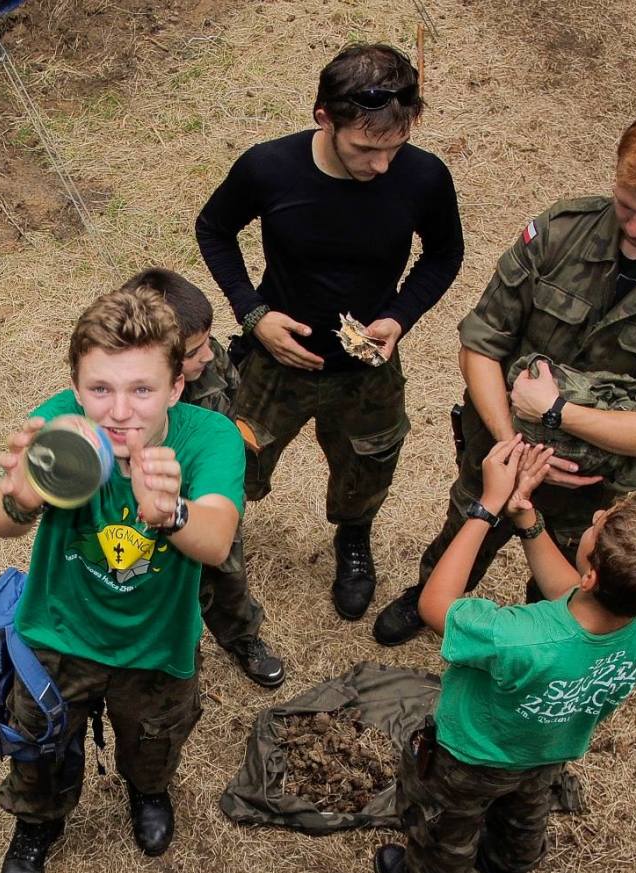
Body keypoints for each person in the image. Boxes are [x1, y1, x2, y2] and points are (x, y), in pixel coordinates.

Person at [374, 105, 636, 646]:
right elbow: (481, 345)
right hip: (500, 445)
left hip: (591, 485)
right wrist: (514, 447)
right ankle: (431, 592)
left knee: (567, 582)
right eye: (625, 205)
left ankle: (545, 635)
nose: (634, 227)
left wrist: (556, 413)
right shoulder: (559, 232)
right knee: (469, 519)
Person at [373, 436, 636, 873]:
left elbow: (435, 605)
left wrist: (485, 508)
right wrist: (527, 517)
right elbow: (574, 594)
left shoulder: (520, 638)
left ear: (591, 577)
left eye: (598, 527)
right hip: (548, 749)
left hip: (470, 754)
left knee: (448, 822)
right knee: (525, 810)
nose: (595, 515)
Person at [0, 285, 244, 873]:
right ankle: (38, 821)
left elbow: (216, 541)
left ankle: (147, 791)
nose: (120, 412)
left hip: (156, 644)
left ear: (176, 388)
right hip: (58, 634)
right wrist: (23, 497)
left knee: (153, 740)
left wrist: (171, 513)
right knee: (40, 743)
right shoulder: (62, 426)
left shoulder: (208, 438)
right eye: (100, 389)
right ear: (76, 388)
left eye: (142, 390)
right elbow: (2, 522)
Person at [195, 42, 462, 631]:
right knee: (234, 463)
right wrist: (253, 314)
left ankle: (354, 536)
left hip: (366, 371)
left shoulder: (423, 177)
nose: (382, 165)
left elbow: (445, 254)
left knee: (370, 462)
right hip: (275, 364)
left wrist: (400, 317)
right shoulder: (269, 168)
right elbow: (213, 229)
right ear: (325, 118)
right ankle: (212, 546)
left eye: (395, 147)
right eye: (366, 148)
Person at [121, 266, 283, 689]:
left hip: (210, 504)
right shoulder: (123, 405)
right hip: (148, 519)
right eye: (194, 351)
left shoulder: (212, 362)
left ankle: (242, 638)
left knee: (227, 577)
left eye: (208, 342)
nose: (208, 355)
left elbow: (231, 403)